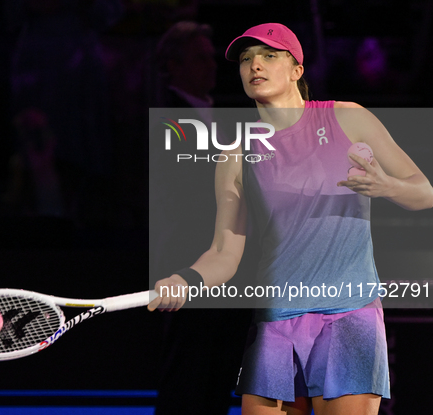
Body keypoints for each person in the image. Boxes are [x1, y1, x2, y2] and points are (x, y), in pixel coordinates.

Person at [148, 23, 433, 415]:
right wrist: (185, 279)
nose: (255, 65)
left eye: (269, 56)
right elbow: (223, 252)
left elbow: (424, 193)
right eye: (246, 59)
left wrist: (386, 186)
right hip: (276, 321)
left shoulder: (348, 118)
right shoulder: (235, 153)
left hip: (349, 314)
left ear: (297, 70)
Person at [150, 21, 253, 415]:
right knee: (186, 372)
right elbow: (178, 194)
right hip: (187, 263)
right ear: (173, 66)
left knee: (221, 372)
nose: (210, 66)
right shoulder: (164, 117)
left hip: (236, 266)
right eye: (198, 58)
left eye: (211, 58)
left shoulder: (230, 118)